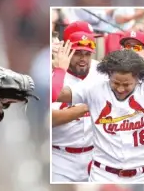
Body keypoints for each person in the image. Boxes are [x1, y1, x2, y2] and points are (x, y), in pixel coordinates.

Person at [52, 48, 144, 183]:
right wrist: (59, 70)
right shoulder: (94, 87)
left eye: (127, 84)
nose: (121, 88)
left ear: (138, 77)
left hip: (141, 176)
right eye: (116, 83)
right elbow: (54, 94)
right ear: (109, 74)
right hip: (103, 175)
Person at [51, 31, 96, 182]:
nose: (83, 59)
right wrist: (86, 107)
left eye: (87, 54)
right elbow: (51, 118)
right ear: (67, 53)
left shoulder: (99, 74)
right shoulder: (56, 78)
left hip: (93, 157)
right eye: (78, 54)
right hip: (61, 158)